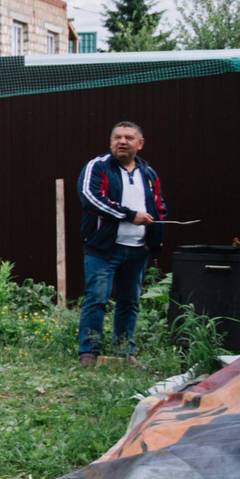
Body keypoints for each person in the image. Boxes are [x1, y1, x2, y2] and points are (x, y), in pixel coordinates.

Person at [78, 120, 164, 366]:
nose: (122, 142)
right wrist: (129, 215)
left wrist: (152, 243)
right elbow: (91, 199)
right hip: (103, 249)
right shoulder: (98, 167)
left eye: (128, 137)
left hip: (137, 250)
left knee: (129, 303)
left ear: (140, 143)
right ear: (110, 141)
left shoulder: (148, 174)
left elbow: (159, 208)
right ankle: (89, 353)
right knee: (96, 299)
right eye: (117, 137)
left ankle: (123, 352)